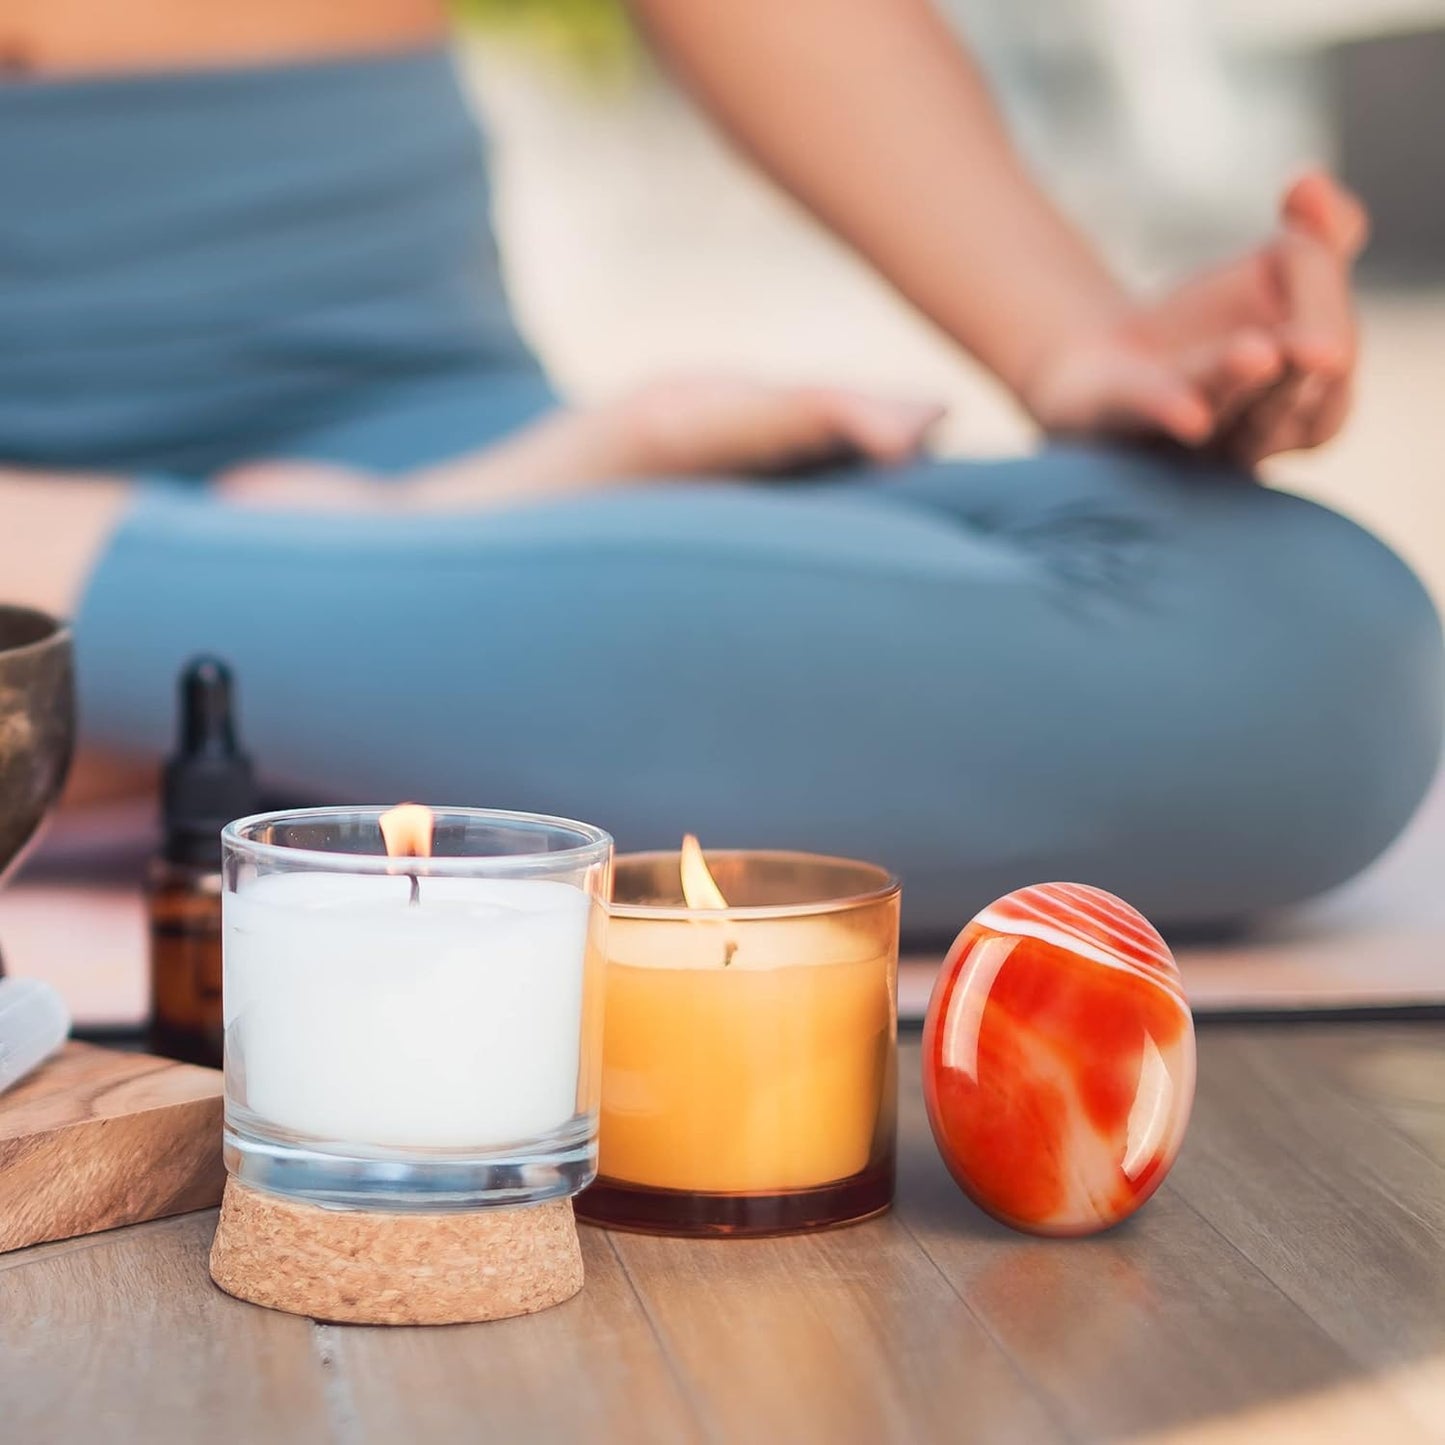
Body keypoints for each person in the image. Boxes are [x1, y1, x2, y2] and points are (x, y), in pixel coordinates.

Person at [1, 0, 1439, 935]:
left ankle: (93, 675)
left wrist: (1073, 337)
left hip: (439, 441)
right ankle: (221, 633)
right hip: (410, 527)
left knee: (1298, 649)